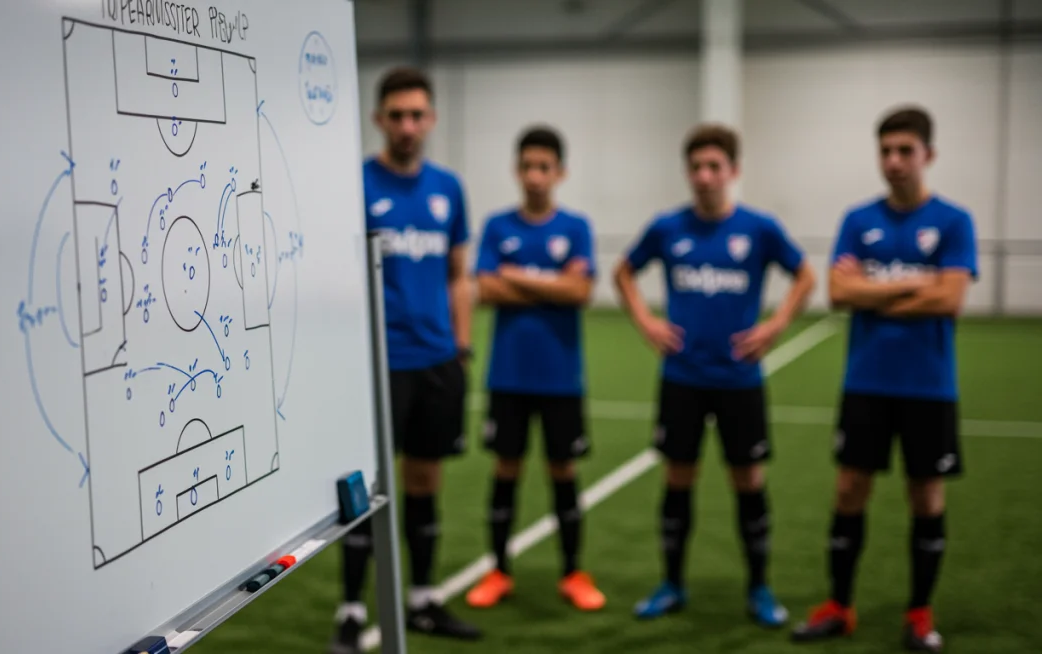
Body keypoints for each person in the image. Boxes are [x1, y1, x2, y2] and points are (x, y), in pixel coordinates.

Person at [613, 124, 817, 627]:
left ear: (733, 171)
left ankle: (759, 588)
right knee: (678, 478)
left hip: (739, 380)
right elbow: (623, 270)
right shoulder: (667, 228)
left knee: (748, 480)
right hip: (681, 377)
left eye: (714, 167)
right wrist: (645, 320)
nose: (704, 177)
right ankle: (671, 583)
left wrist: (777, 323)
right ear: (688, 172)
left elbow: (806, 273)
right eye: (696, 168)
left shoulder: (759, 228)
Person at [791, 107, 976, 653]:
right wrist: (917, 285)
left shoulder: (953, 221)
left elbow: (951, 299)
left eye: (905, 151)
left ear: (928, 156)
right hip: (866, 382)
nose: (894, 161)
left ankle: (919, 613)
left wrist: (876, 288)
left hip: (929, 385)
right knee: (849, 489)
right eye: (886, 151)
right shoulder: (857, 219)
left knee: (925, 496)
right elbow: (840, 293)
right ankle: (839, 606)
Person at [329, 67, 481, 653]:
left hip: (439, 362)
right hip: (379, 365)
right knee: (365, 490)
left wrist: (461, 346)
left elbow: (460, 274)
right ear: (378, 120)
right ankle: (349, 610)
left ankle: (423, 599)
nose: (408, 126)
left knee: (424, 481)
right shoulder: (356, 185)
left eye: (418, 115)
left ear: (432, 119)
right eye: (397, 115)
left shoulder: (449, 188)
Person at [463, 126, 605, 612]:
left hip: (561, 377)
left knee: (563, 470)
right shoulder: (498, 226)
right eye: (527, 167)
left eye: (544, 167)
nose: (535, 176)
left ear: (559, 173)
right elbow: (485, 289)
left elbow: (580, 293)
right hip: (508, 376)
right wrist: (553, 284)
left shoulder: (577, 227)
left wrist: (517, 275)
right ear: (516, 171)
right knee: (506, 470)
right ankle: (499, 570)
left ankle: (573, 572)